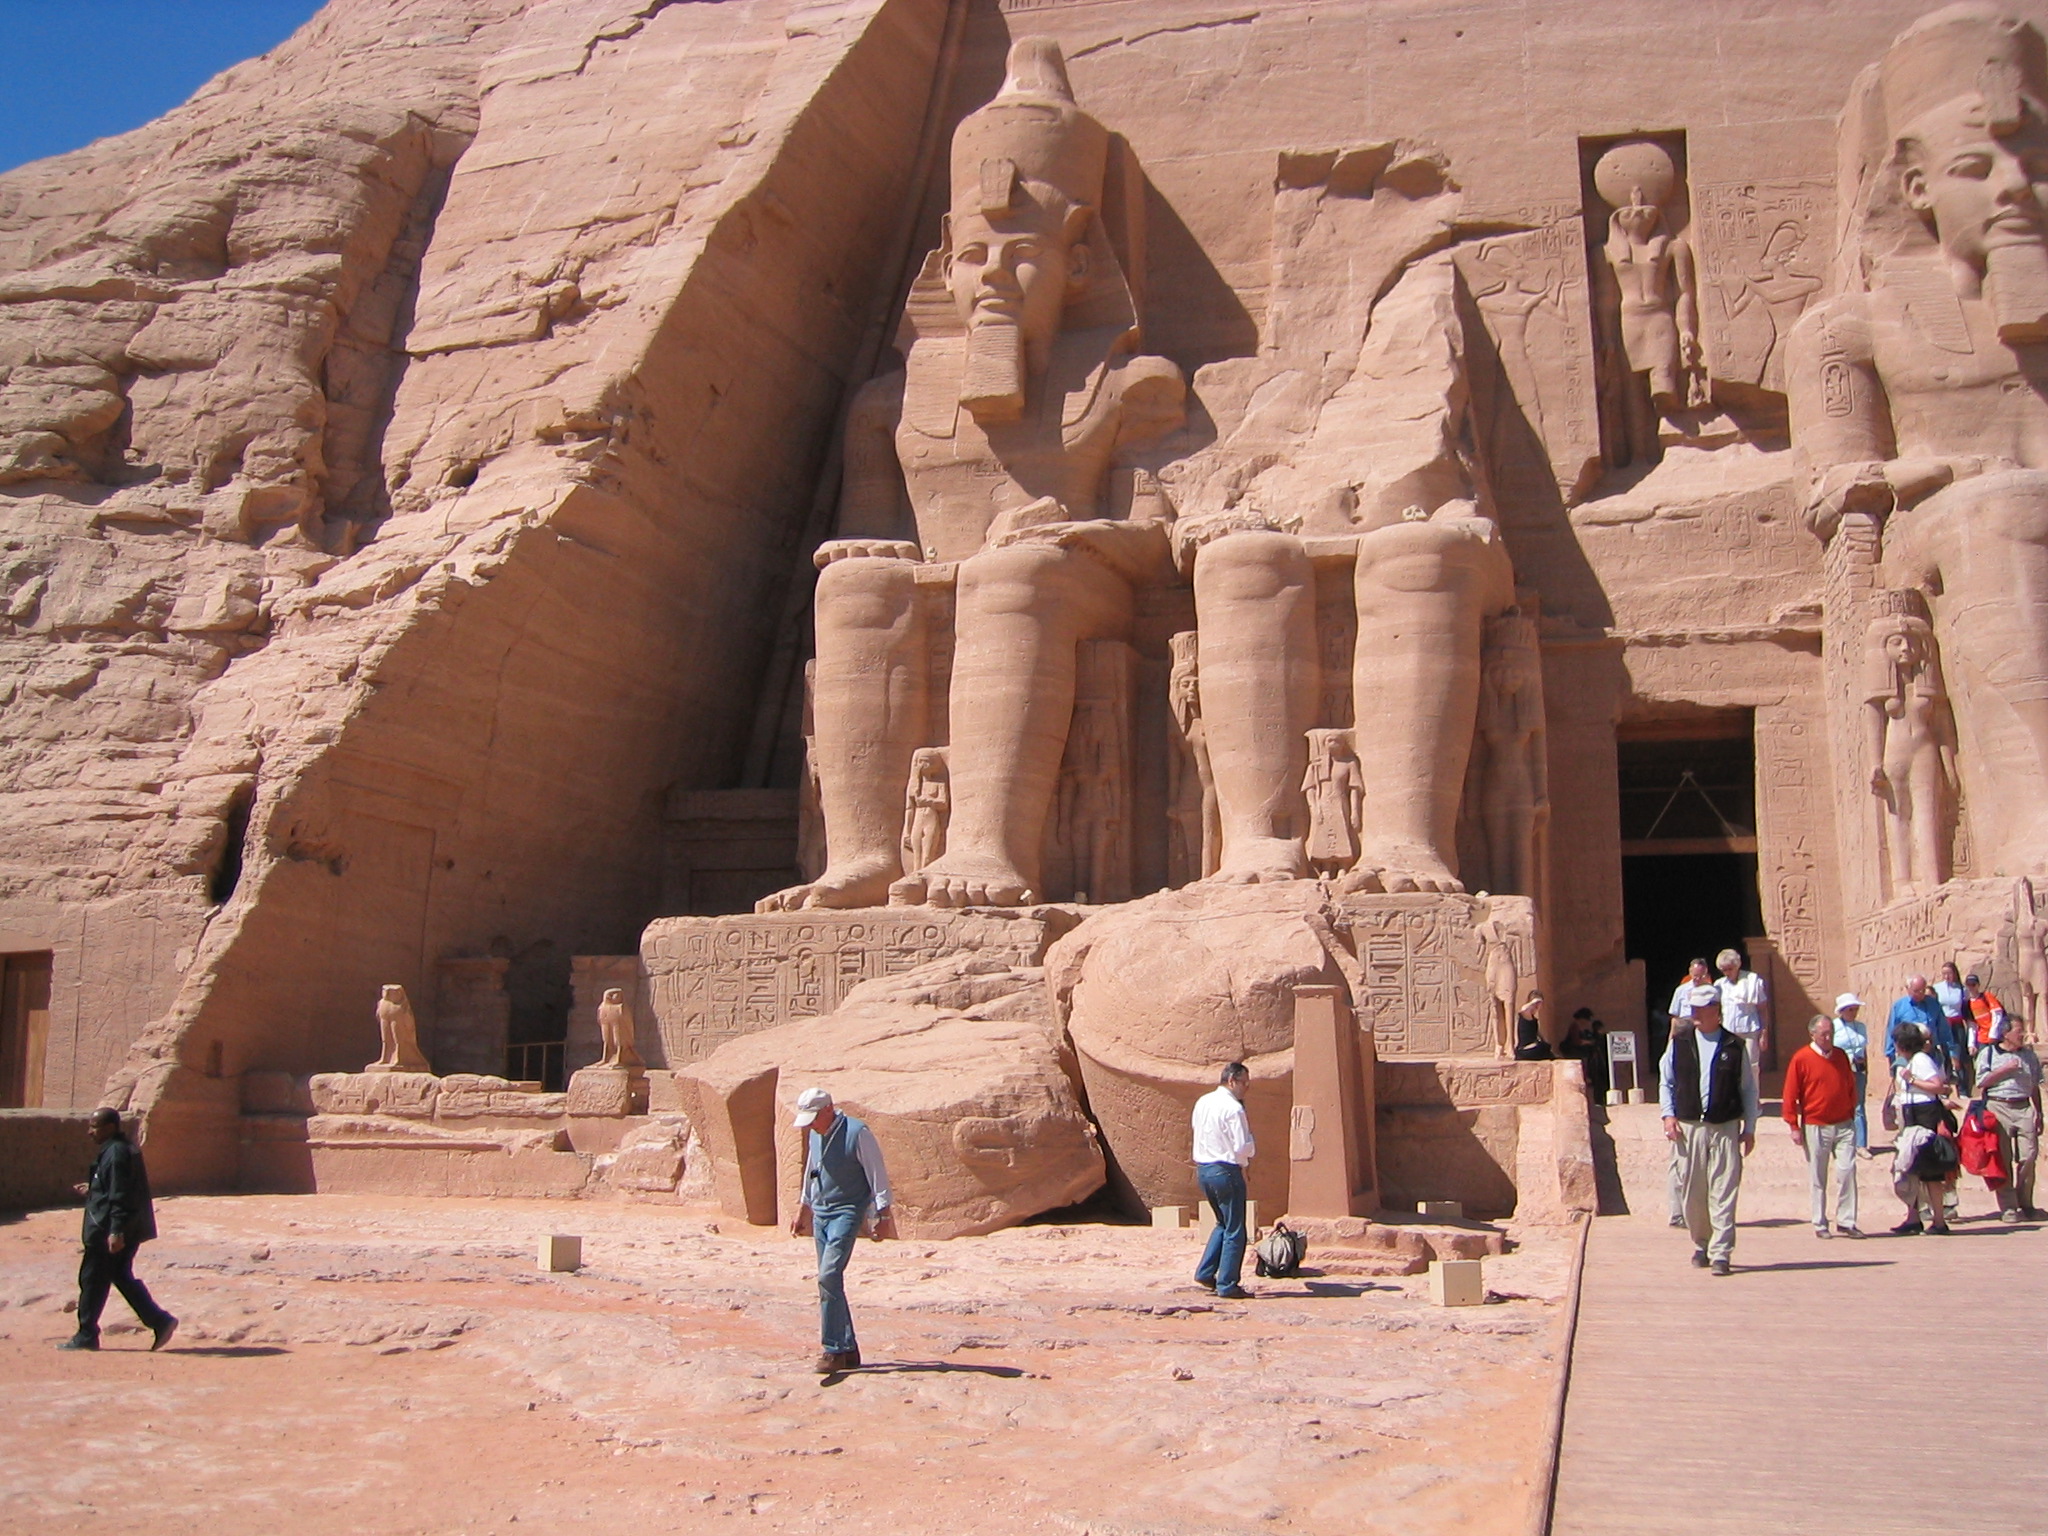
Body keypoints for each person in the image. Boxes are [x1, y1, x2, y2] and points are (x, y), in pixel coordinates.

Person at [788, 1087, 896, 1373]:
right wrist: (803, 1209)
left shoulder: (857, 1132)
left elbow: (877, 1174)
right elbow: (812, 1171)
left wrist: (883, 1215)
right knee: (831, 1281)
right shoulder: (815, 1133)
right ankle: (848, 1349)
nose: (811, 1125)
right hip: (821, 1213)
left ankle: (833, 1349)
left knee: (827, 1276)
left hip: (847, 1211)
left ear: (828, 1109)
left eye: (814, 1118)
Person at [1659, 987, 1758, 1275]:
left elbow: (1748, 1089)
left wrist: (1750, 1128)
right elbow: (1667, 1081)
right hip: (1690, 1127)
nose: (1695, 1014)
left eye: (1701, 1008)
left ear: (1716, 1009)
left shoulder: (1734, 1045)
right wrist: (1668, 1115)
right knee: (1693, 1191)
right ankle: (1701, 1242)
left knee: (1724, 1189)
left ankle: (1721, 1252)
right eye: (1693, 1008)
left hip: (1725, 1127)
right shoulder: (1680, 1043)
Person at [62, 1107, 175, 1352]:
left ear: (110, 1127)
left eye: (94, 1127)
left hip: (108, 1231)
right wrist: (93, 1190)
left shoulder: (116, 1154)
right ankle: (160, 1321)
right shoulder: (119, 1150)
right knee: (119, 1275)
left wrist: (116, 1231)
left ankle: (86, 1334)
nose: (90, 1132)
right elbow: (115, 1187)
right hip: (123, 1228)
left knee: (92, 1279)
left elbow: (120, 1195)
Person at [1782, 1015, 1862, 1238]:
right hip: (1816, 1124)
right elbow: (1790, 1094)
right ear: (1813, 1034)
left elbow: (1849, 1084)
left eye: (1831, 1034)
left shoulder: (1840, 1056)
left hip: (1844, 1123)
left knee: (1847, 1170)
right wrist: (1793, 1125)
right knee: (1818, 1176)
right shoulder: (1801, 1058)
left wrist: (1851, 1109)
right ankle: (1819, 1222)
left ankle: (1846, 1220)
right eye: (1824, 1034)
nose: (1828, 1038)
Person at [1191, 1062, 1255, 1299]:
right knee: (1235, 1229)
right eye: (1244, 1082)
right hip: (1226, 1170)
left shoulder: (1203, 1102)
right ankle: (1228, 1284)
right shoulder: (1234, 1108)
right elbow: (1241, 1146)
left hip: (1204, 1170)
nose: (1246, 1087)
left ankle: (1206, 1272)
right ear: (1231, 1081)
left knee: (1222, 1223)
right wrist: (1250, 1151)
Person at [1886, 1023, 1956, 1235]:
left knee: (1931, 1170)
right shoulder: (1906, 1061)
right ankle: (1913, 1218)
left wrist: (1913, 1080)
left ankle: (1939, 1220)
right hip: (1910, 1115)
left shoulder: (1921, 1060)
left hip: (1925, 1116)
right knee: (1910, 1167)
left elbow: (1937, 1085)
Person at [1975, 1017, 2043, 1223]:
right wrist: (2004, 1070)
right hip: (1998, 1106)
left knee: (2029, 1155)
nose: (2022, 1035)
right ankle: (2008, 1206)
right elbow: (1981, 1082)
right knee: (2003, 1158)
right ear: (2005, 1034)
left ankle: (2026, 1202)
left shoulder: (2029, 1056)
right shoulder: (1989, 1054)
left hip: (2024, 1107)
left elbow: (2035, 1085)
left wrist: (2039, 1113)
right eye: (2018, 1031)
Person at [1832, 993, 1873, 1155]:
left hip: (1858, 1070)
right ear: (1842, 1010)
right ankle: (1839, 1141)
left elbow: (1863, 1048)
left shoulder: (1861, 1027)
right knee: (1839, 1105)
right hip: (1840, 1070)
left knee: (1859, 1105)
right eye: (1850, 1009)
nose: (1854, 1012)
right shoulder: (1834, 1026)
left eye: (1855, 1009)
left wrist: (1865, 1067)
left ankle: (1861, 1144)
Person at [1715, 949, 1769, 1069]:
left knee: (1751, 1066)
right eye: (1724, 970)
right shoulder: (1719, 985)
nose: (1727, 973)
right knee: (1729, 1066)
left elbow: (1762, 1009)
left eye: (1730, 969)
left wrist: (1764, 1033)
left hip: (1749, 1030)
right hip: (1728, 1032)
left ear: (1737, 966)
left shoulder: (1752, 981)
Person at [1886, 974, 1950, 1067]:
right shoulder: (1899, 1006)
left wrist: (1952, 1054)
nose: (1920, 994)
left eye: (1923, 990)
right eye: (1916, 991)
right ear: (1908, 989)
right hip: (1908, 1057)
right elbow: (1891, 1033)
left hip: (1931, 1055)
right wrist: (1891, 1058)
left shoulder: (1933, 1004)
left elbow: (1944, 1031)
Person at [1567, 1007, 1610, 1102]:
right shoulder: (1575, 1026)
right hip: (1578, 1055)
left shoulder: (1579, 1027)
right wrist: (1589, 1042)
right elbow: (1576, 1041)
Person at [1512, 993, 1552, 1061]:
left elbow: (1539, 1035)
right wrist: (1534, 1002)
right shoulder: (1525, 1015)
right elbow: (1524, 1009)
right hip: (1525, 1050)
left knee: (1546, 1047)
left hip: (1530, 1049)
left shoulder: (1533, 1019)